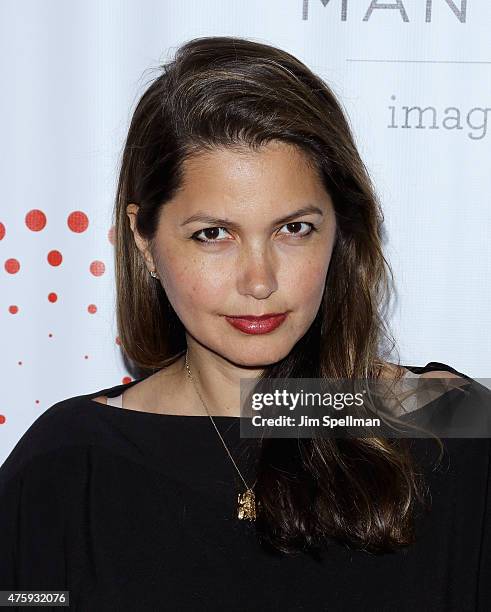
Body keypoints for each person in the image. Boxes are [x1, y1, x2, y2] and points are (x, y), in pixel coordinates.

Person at [1, 35, 490, 611]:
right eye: (213, 234)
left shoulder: (448, 422)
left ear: (343, 228)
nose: (258, 282)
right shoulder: (69, 465)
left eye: (294, 229)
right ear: (144, 240)